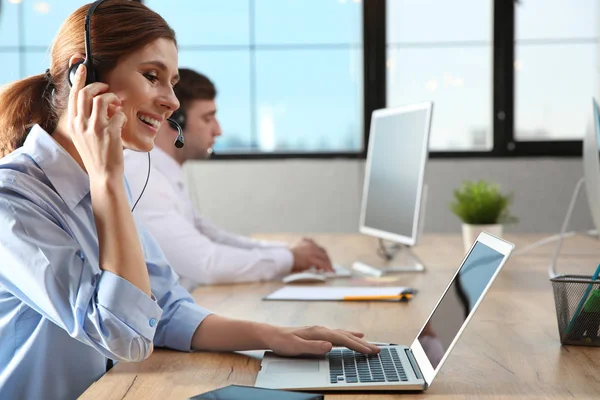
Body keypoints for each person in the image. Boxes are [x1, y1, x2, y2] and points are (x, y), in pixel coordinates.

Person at [0, 1, 378, 399]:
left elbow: (166, 310)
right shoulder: (14, 201)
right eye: (152, 76)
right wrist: (107, 178)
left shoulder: (105, 186)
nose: (172, 101)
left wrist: (277, 336)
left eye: (172, 82)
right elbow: (121, 335)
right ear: (83, 76)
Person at [123, 69, 334, 291]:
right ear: (175, 121)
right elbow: (208, 264)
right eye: (208, 118)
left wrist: (289, 251)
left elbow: (215, 237)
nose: (218, 130)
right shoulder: (142, 176)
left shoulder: (162, 173)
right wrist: (290, 258)